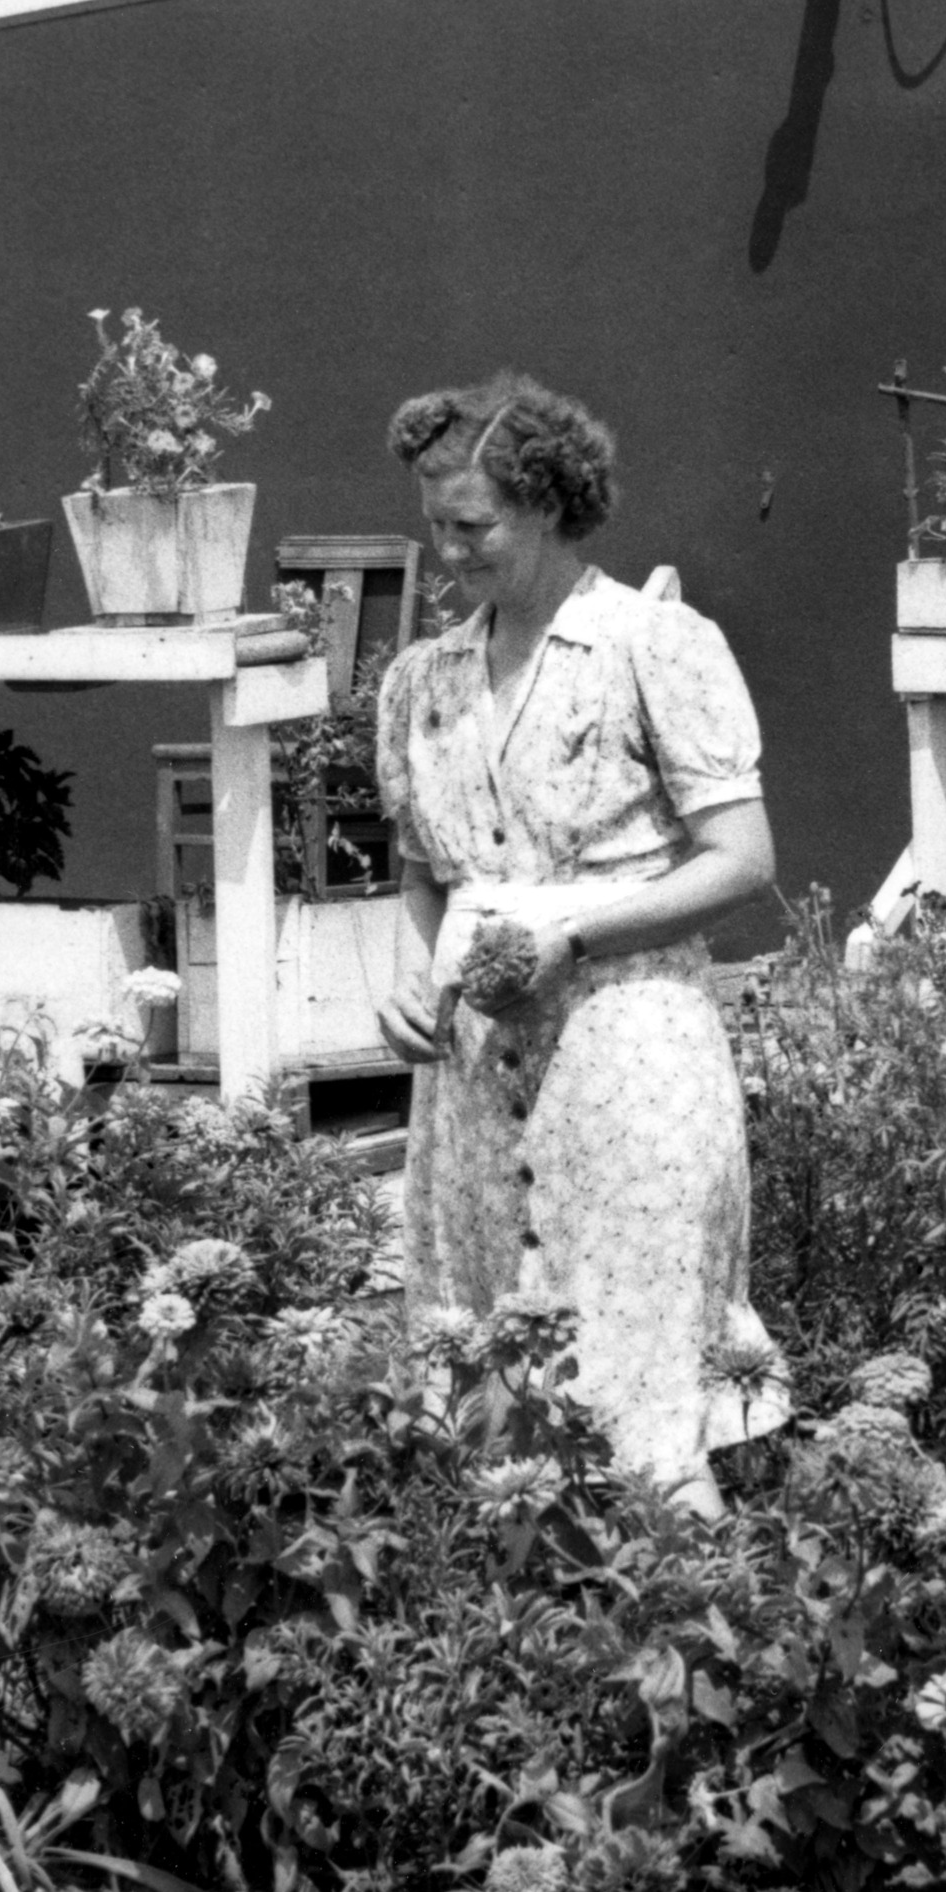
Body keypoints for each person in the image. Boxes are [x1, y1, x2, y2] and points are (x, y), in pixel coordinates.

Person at [371, 370, 786, 1501]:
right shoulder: (422, 680)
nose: (447, 552)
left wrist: (575, 934)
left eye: (470, 525)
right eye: (433, 526)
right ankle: (526, 1668)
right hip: (469, 1090)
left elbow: (741, 861)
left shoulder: (651, 644)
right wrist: (419, 980)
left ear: (547, 504)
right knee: (490, 1404)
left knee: (644, 1407)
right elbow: (425, 874)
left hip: (626, 1060)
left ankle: (696, 1659)